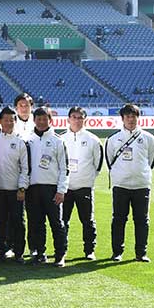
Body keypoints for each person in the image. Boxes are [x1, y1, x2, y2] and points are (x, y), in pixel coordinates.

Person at [104, 103, 154, 262]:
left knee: (142, 220)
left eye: (133, 116)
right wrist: (120, 175)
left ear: (138, 118)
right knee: (119, 219)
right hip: (121, 186)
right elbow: (109, 161)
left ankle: (141, 253)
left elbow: (151, 160)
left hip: (141, 185)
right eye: (127, 116)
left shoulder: (149, 138)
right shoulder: (113, 138)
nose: (131, 119)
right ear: (122, 119)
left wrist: (141, 173)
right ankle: (117, 252)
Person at [25, 107, 69, 267]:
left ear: (50, 120)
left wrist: (61, 190)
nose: (41, 122)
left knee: (56, 223)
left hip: (52, 189)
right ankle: (39, 253)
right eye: (38, 119)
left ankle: (60, 255)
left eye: (45, 119)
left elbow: (65, 168)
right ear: (34, 120)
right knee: (36, 223)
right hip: (33, 188)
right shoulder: (28, 140)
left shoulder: (58, 141)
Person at [61, 106, 103, 260]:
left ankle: (89, 250)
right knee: (63, 220)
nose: (77, 120)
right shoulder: (61, 139)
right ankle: (62, 250)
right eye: (74, 117)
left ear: (85, 120)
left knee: (87, 220)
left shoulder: (93, 140)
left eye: (80, 117)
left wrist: (89, 179)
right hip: (65, 187)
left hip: (84, 186)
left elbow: (98, 163)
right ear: (68, 119)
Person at [0, 106, 30, 263]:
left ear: (15, 121)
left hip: (15, 190)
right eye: (5, 120)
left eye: (11, 120)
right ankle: (2, 251)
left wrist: (22, 188)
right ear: (0, 121)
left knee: (18, 221)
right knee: (0, 221)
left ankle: (19, 252)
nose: (8, 123)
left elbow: (26, 167)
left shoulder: (20, 141)